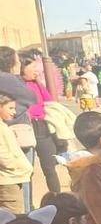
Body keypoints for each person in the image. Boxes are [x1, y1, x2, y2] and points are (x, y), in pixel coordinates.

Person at [19, 52, 61, 194]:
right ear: (21, 68)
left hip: (42, 126)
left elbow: (48, 100)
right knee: (26, 170)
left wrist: (38, 82)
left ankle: (57, 198)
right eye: (32, 68)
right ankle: (27, 203)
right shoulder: (17, 85)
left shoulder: (35, 83)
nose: (36, 71)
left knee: (49, 167)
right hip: (26, 127)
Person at [0, 93, 32, 212]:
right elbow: (3, 155)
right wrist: (16, 165)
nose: (14, 112)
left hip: (10, 179)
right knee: (14, 218)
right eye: (10, 108)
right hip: (8, 180)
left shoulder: (3, 126)